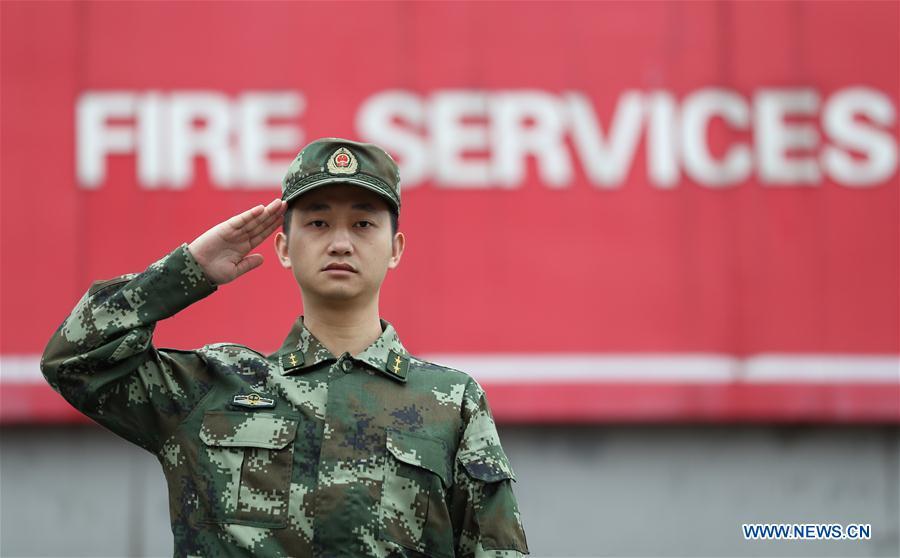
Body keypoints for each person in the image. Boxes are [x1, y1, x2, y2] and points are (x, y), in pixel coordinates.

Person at [41, 138, 529, 557]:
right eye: (317, 224)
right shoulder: (210, 389)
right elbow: (74, 358)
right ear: (282, 247)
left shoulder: (450, 401)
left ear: (395, 248)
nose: (340, 243)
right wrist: (190, 268)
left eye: (363, 224)